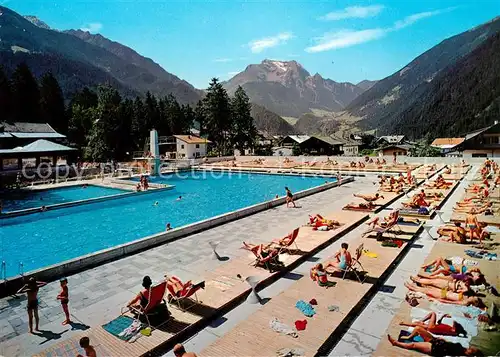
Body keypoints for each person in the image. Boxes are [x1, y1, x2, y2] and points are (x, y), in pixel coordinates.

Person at [387, 330, 481, 356]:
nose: (470, 348)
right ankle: (408, 337)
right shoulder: (462, 348)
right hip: (438, 341)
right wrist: (444, 340)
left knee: (413, 345)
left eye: (471, 350)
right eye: (471, 348)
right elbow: (450, 344)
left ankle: (395, 343)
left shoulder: (460, 354)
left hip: (435, 348)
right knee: (419, 329)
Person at [404, 282, 485, 307]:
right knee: (429, 289)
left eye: (474, 298)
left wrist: (439, 300)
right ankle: (413, 287)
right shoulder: (466, 298)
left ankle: (412, 288)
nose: (473, 296)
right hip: (445, 293)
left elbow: (451, 302)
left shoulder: (465, 302)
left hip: (443, 295)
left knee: (427, 291)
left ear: (475, 302)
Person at [399, 311, 467, 337]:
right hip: (433, 329)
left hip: (433, 327)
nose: (453, 325)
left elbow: (454, 322)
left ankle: (404, 323)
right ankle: (418, 322)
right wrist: (443, 316)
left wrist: (445, 315)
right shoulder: (452, 330)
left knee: (433, 313)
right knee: (417, 324)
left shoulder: (453, 331)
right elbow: (439, 323)